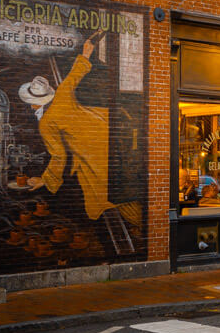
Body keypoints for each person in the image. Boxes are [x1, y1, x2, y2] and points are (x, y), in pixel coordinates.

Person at [19, 38, 140, 228]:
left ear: (32, 104)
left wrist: (45, 180)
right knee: (113, 190)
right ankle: (138, 222)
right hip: (107, 128)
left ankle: (139, 223)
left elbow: (59, 156)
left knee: (101, 198)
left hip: (91, 152)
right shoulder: (61, 94)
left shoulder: (46, 123)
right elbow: (75, 74)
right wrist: (86, 52)